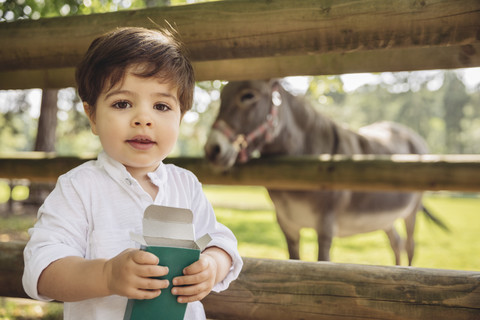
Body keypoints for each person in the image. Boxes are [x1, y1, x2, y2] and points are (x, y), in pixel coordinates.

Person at [22, 27, 243, 320]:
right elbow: (42, 269)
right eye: (122, 103)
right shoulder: (80, 187)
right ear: (93, 116)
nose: (143, 119)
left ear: (181, 117)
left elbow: (220, 241)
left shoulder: (185, 185)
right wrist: (106, 275)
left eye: (162, 106)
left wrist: (212, 266)